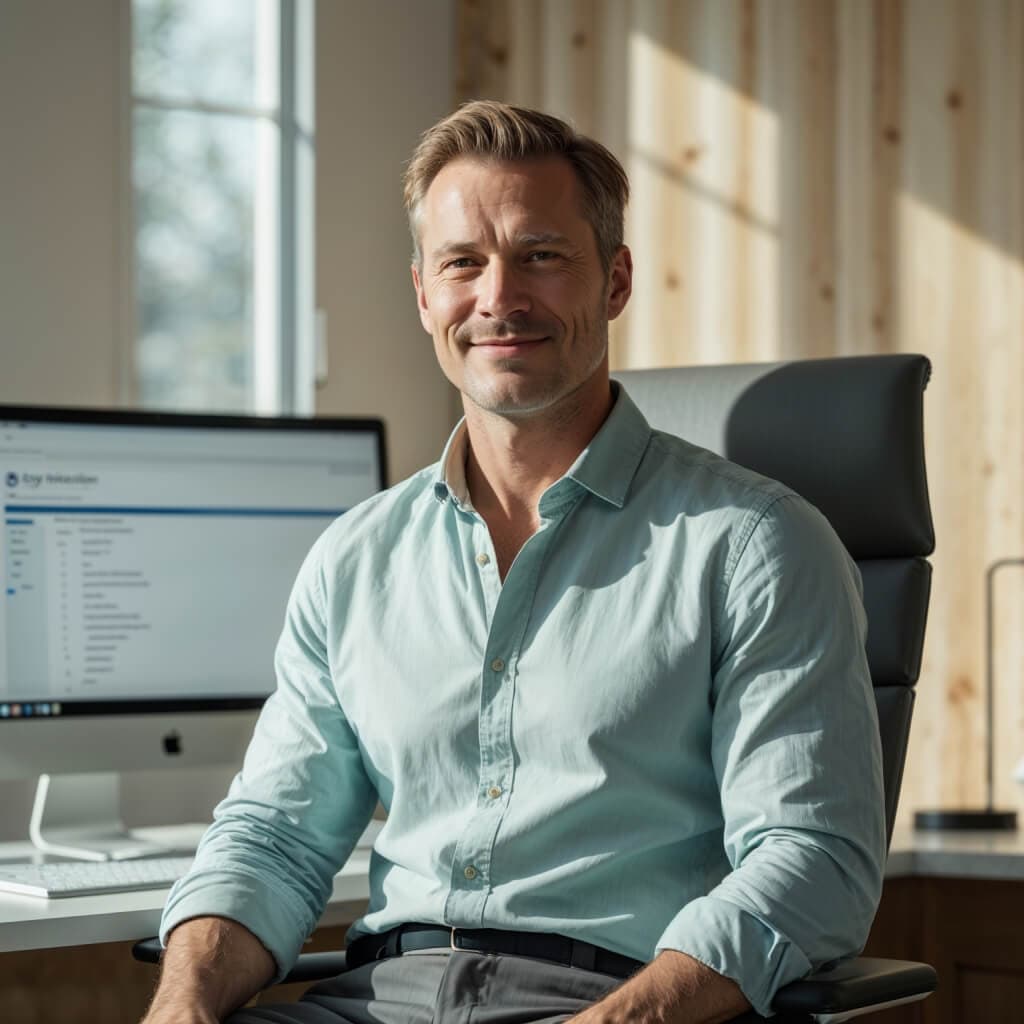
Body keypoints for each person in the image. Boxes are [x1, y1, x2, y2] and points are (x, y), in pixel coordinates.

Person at [142, 102, 886, 1024]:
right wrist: (181, 1003)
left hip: (615, 998)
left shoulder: (755, 545)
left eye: (540, 255)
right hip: (372, 1000)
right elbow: (274, 838)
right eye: (463, 262)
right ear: (424, 294)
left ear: (614, 282)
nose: (498, 296)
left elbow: (814, 863)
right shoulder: (355, 558)